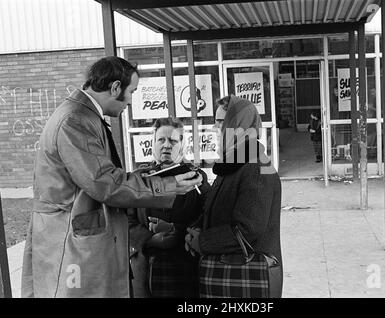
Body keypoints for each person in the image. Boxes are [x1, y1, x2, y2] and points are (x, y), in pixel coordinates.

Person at [21, 56, 202, 298]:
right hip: (71, 246)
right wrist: (165, 185)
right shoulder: (76, 120)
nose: (131, 100)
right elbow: (104, 184)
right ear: (115, 87)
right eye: (132, 91)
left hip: (73, 242)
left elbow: (99, 178)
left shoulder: (79, 115)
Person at [185, 95, 283, 298]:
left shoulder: (256, 168)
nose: (215, 128)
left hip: (250, 282)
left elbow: (247, 229)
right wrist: (195, 229)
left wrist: (202, 242)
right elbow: (215, 209)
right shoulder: (232, 164)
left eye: (221, 122)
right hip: (232, 278)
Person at [128, 118, 210, 298]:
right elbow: (125, 220)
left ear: (182, 145)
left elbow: (209, 215)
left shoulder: (195, 177)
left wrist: (176, 230)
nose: (166, 145)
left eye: (173, 141)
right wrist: (149, 238)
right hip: (146, 268)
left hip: (186, 266)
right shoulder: (138, 179)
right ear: (153, 143)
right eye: (161, 140)